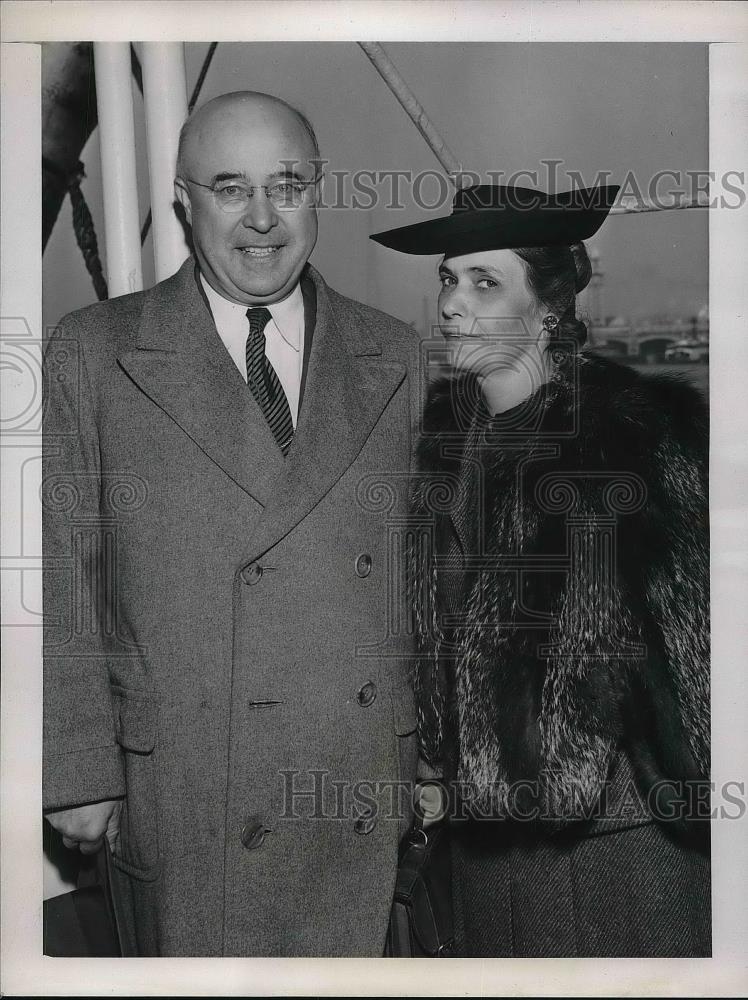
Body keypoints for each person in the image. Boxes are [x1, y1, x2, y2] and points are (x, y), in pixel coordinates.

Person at [42, 91, 422, 957]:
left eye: (285, 185)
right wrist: (72, 770)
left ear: (317, 191)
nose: (261, 218)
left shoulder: (392, 351)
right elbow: (57, 574)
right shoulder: (95, 351)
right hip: (184, 788)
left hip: (358, 778)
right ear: (183, 200)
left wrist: (427, 760)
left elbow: (421, 573)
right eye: (228, 187)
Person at [370, 183, 711, 957]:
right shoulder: (439, 442)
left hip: (618, 846)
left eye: (484, 282)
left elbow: (698, 663)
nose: (453, 304)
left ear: (549, 308)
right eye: (448, 280)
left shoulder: (636, 436)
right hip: (484, 853)